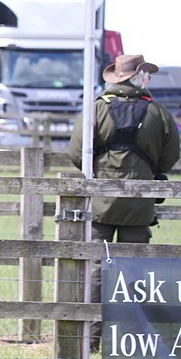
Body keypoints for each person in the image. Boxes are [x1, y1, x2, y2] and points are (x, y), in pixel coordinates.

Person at [69, 53, 179, 244]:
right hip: (141, 200)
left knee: (97, 259)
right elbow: (171, 155)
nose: (148, 79)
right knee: (133, 263)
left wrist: (97, 170)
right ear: (138, 78)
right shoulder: (159, 113)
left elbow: (77, 153)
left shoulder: (95, 109)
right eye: (146, 75)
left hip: (100, 199)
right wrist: (151, 171)